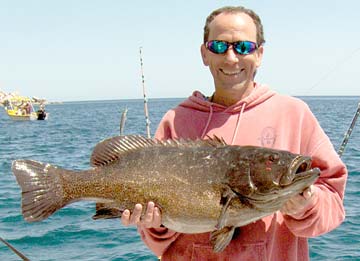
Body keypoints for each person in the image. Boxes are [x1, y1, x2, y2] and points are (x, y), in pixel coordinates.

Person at [121, 6, 347, 260]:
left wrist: (308, 206)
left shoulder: (294, 114)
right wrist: (154, 224)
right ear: (205, 54)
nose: (231, 58)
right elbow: (157, 240)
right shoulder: (176, 121)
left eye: (243, 47)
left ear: (259, 54)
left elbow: (333, 206)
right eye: (219, 46)